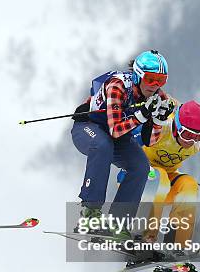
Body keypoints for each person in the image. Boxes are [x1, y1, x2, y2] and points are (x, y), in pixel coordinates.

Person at [71, 50, 172, 238]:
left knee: (140, 166)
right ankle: (90, 212)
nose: (155, 86)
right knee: (103, 147)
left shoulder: (158, 97)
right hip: (89, 127)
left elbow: (150, 141)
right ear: (138, 75)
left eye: (161, 80)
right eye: (150, 79)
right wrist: (142, 115)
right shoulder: (117, 85)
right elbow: (115, 129)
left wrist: (159, 120)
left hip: (117, 136)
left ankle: (119, 223)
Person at [119, 100, 200, 244]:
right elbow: (122, 143)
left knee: (189, 185)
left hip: (164, 186)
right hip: (137, 182)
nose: (192, 141)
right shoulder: (160, 126)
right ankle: (144, 237)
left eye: (198, 136)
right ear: (176, 127)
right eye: (188, 134)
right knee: (161, 178)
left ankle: (177, 245)